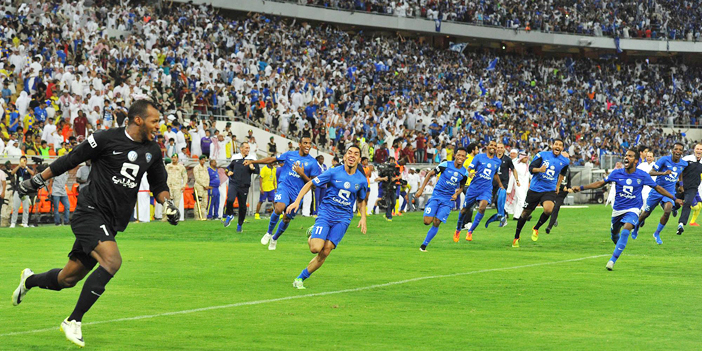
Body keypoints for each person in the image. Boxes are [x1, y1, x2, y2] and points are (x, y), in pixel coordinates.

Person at [11, 99, 180, 348]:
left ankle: (29, 281)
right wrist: (37, 179)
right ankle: (73, 320)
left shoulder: (153, 151)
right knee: (112, 261)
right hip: (89, 212)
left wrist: (168, 204)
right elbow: (70, 159)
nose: (158, 126)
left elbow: (159, 185)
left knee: (68, 279)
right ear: (138, 120)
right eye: (154, 121)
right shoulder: (104, 138)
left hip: (112, 222)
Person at [573, 149, 682, 270]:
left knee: (626, 230)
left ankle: (612, 261)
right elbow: (600, 183)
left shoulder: (642, 175)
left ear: (635, 161)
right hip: (618, 210)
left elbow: (658, 188)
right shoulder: (617, 173)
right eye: (626, 155)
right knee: (614, 234)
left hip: (633, 209)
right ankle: (618, 243)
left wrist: (674, 198)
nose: (626, 158)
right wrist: (581, 187)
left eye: (630, 156)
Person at [287, 145, 368, 289]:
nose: (352, 156)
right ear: (344, 157)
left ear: (359, 159)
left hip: (343, 218)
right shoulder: (333, 172)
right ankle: (313, 232)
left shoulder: (361, 180)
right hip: (326, 213)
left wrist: (363, 218)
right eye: (349, 153)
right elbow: (311, 183)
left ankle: (300, 278)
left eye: (355, 154)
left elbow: (361, 200)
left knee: (326, 251)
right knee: (315, 248)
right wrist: (297, 201)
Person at [250, 136, 320, 250]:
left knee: (287, 218)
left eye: (310, 143)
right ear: (300, 144)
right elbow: (272, 159)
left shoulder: (312, 162)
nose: (308, 145)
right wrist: (254, 161)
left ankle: (274, 238)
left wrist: (302, 174)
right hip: (285, 186)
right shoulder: (289, 155)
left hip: (298, 194)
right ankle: (268, 233)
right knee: (279, 208)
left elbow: (314, 185)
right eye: (305, 143)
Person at [512, 139, 570, 247]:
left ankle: (536, 228)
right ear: (552, 146)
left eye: (560, 145)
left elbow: (563, 172)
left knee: (548, 209)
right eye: (556, 144)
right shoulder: (542, 155)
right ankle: (516, 236)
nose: (558, 146)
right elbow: (531, 168)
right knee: (525, 214)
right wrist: (540, 170)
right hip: (535, 189)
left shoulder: (565, 161)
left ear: (562, 148)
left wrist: (557, 185)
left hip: (549, 189)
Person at [415, 147, 469, 251]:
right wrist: (421, 190)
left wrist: (456, 194)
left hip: (448, 200)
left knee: (437, 222)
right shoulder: (445, 165)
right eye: (459, 155)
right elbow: (430, 174)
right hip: (436, 196)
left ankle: (423, 246)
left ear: (465, 158)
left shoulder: (464, 173)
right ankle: (432, 210)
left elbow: (462, 187)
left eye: (463, 156)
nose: (460, 157)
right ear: (455, 155)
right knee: (427, 221)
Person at [633, 142, 688, 244]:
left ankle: (657, 233)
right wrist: (663, 173)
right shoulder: (664, 160)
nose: (678, 151)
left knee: (667, 210)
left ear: (682, 152)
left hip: (669, 192)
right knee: (646, 213)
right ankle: (636, 227)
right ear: (672, 150)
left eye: (680, 150)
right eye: (676, 149)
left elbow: (680, 174)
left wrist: (681, 186)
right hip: (657, 190)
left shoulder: (683, 164)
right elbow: (651, 172)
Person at [454, 140, 504, 242]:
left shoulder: (497, 161)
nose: (493, 147)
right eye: (491, 145)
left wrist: (500, 185)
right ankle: (458, 229)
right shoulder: (479, 157)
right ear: (487, 146)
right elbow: (468, 169)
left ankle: (470, 231)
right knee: (464, 210)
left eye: (495, 146)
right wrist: (469, 174)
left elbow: (494, 174)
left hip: (486, 189)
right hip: (473, 188)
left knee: (482, 207)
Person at [224, 142, 259, 231]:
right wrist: (228, 172)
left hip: (244, 185)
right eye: (246, 148)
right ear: (241, 149)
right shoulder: (235, 158)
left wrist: (253, 168)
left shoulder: (252, 158)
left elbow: (257, 171)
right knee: (230, 199)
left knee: (242, 206)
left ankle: (240, 225)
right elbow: (229, 168)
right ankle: (230, 214)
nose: (248, 149)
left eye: (248, 148)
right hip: (233, 183)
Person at [485, 142, 520, 228]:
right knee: (496, 201)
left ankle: (503, 217)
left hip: (504, 183)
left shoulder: (507, 159)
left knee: (499, 199)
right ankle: (503, 216)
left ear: (504, 149)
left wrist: (517, 180)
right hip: (493, 182)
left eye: (501, 147)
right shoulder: (492, 158)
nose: (499, 149)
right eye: (498, 147)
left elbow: (513, 170)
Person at [674, 143, 702, 235]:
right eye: (697, 149)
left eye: (701, 149)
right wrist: (680, 185)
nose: (699, 151)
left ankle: (681, 224)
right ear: (694, 149)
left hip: (692, 188)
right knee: (675, 204)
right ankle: (674, 209)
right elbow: (679, 172)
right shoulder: (687, 159)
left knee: (688, 203)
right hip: (681, 186)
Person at [544, 151, 572, 234]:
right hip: (553, 190)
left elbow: (569, 180)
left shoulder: (568, 169)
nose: (567, 159)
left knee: (556, 207)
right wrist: (563, 187)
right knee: (550, 207)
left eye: (568, 158)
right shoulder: (555, 167)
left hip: (562, 193)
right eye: (565, 157)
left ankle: (549, 227)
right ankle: (553, 217)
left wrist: (569, 188)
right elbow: (553, 179)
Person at [10, 156, 34, 228]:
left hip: (26, 190)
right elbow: (12, 173)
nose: (23, 162)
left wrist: (25, 167)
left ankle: (25, 222)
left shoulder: (29, 168)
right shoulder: (18, 168)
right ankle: (13, 222)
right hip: (18, 190)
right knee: (15, 207)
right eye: (22, 161)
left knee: (26, 208)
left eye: (24, 161)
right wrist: (19, 166)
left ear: (26, 161)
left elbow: (32, 173)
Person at [164, 153, 187, 222]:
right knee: (167, 203)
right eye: (173, 157)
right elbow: (163, 175)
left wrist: (184, 185)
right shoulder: (168, 166)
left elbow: (185, 176)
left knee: (176, 203)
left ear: (177, 159)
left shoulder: (181, 167)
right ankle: (166, 217)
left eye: (175, 157)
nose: (174, 159)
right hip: (169, 186)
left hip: (177, 187)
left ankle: (175, 217)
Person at [510, 152, 530, 220]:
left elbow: (530, 176)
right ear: (521, 158)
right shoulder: (516, 165)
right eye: (525, 158)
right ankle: (525, 215)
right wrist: (509, 188)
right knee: (522, 200)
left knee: (520, 201)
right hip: (518, 185)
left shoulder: (527, 166)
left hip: (525, 186)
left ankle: (516, 216)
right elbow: (512, 177)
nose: (526, 159)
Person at [193, 155, 210, 220]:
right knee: (198, 201)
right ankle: (197, 216)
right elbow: (197, 178)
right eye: (202, 160)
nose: (203, 161)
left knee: (204, 202)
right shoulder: (197, 167)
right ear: (199, 160)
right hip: (199, 186)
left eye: (204, 160)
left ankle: (203, 216)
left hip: (205, 187)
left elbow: (207, 177)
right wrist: (204, 185)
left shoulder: (205, 167)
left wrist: (207, 185)